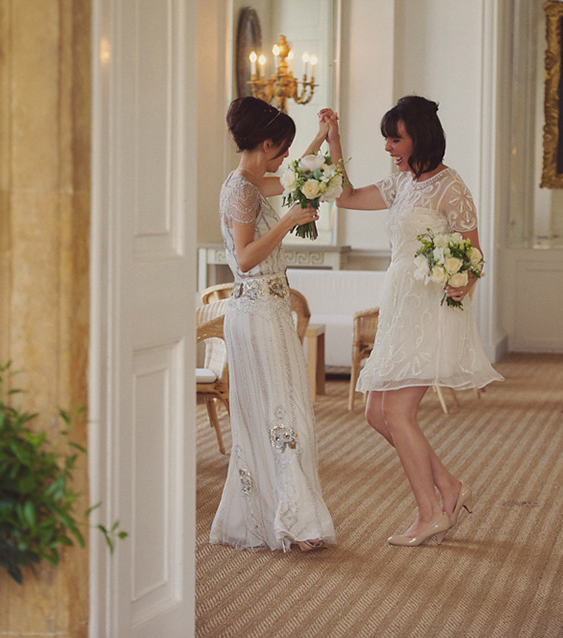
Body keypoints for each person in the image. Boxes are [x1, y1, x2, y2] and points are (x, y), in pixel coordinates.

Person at [321, 96, 503, 547]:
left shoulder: (450, 186)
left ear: (419, 136)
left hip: (429, 307)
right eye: (386, 138)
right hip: (399, 302)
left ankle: (430, 515)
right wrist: (334, 140)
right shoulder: (402, 183)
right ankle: (450, 487)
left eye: (394, 138)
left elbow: (474, 255)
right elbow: (344, 197)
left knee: (397, 412)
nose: (388, 147)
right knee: (375, 413)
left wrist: (465, 284)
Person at [209, 96, 335, 552]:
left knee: (284, 411)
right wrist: (288, 222)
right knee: (277, 413)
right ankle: (294, 523)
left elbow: (294, 177)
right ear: (265, 144)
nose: (284, 158)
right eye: (281, 149)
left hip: (271, 310)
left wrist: (321, 137)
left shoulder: (253, 180)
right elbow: (243, 260)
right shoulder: (240, 189)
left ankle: (288, 515)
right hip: (256, 310)